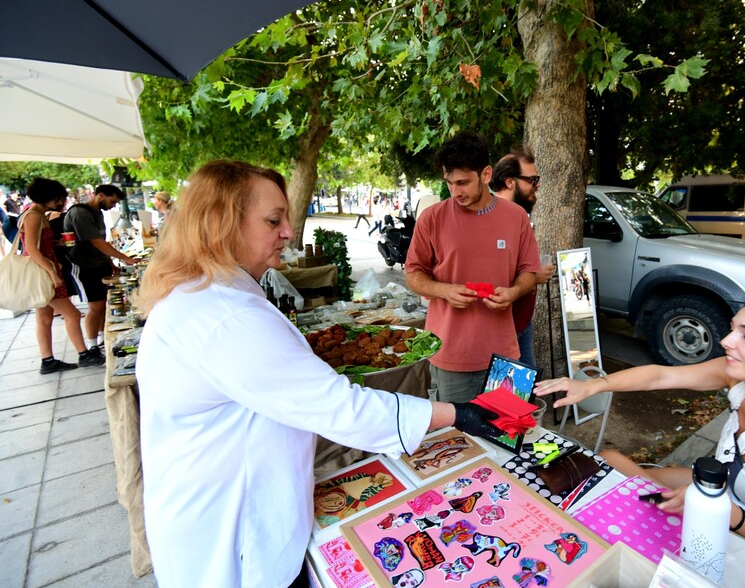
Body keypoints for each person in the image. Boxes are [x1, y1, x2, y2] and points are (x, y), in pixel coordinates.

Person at [134, 159, 501, 588]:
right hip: (234, 541)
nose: (288, 233)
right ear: (221, 225)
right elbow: (341, 407)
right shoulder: (225, 316)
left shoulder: (208, 296)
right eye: (273, 220)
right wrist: (458, 413)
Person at [535, 298, 745, 562]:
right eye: (733, 329)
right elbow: (661, 376)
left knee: (628, 503)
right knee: (609, 461)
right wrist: (592, 385)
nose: (727, 341)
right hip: (716, 494)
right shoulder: (740, 382)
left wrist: (725, 513)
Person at [406, 133, 541, 403]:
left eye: (463, 183)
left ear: (486, 174)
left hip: (506, 355)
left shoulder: (516, 217)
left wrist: (513, 293)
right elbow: (413, 275)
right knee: (459, 431)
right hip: (451, 357)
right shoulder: (431, 218)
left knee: (507, 427)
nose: (455, 192)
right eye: (449, 182)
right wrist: (444, 291)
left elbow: (530, 272)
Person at [19, 179, 105, 373]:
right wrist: (51, 272)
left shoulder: (38, 214)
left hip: (43, 270)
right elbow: (31, 248)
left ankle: (48, 361)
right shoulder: (33, 216)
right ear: (47, 197)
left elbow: (38, 245)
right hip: (43, 272)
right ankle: (84, 354)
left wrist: (56, 243)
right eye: (58, 198)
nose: (60, 202)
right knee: (71, 314)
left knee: (44, 318)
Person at [490, 149, 554, 366]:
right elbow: (491, 277)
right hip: (503, 327)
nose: (537, 185)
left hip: (521, 323)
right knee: (511, 387)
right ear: (510, 182)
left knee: (526, 384)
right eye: (532, 180)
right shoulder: (492, 218)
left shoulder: (519, 217)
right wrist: (534, 276)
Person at [63, 184, 141, 356]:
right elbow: (96, 242)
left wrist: (111, 263)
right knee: (95, 306)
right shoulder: (80, 213)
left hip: (98, 263)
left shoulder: (97, 213)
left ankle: (100, 340)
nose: (113, 206)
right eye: (112, 201)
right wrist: (126, 258)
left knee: (103, 304)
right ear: (100, 195)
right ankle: (91, 349)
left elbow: (102, 242)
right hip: (84, 266)